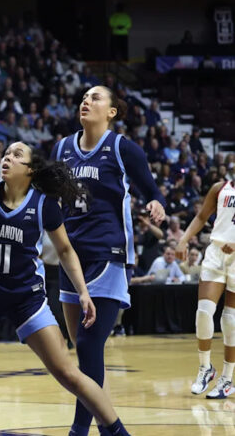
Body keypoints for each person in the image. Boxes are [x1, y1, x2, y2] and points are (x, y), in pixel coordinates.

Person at [0, 142, 131, 436]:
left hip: (27, 300)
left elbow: (66, 251)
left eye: (16, 155)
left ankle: (118, 432)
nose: (7, 157)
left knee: (69, 374)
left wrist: (83, 291)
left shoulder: (43, 205)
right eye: (6, 153)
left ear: (30, 170)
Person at [52, 85, 166, 435]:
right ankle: (105, 428)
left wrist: (157, 203)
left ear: (112, 112)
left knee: (88, 346)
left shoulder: (121, 148)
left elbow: (151, 188)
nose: (87, 101)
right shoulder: (62, 148)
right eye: (84, 97)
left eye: (96, 97)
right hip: (70, 257)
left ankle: (82, 431)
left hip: (107, 253)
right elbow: (52, 198)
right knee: (82, 351)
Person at [176, 179, 235, 399]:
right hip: (216, 253)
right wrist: (183, 240)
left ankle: (227, 379)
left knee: (231, 321)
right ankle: (205, 368)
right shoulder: (220, 188)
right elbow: (201, 217)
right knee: (203, 313)